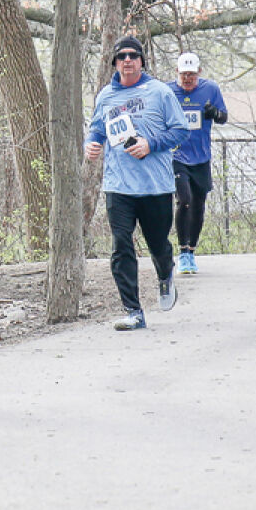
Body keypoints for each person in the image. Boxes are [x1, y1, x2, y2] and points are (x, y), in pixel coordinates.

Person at [84, 35, 190, 330]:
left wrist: (150, 144)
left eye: (133, 55)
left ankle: (165, 275)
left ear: (142, 61)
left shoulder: (160, 92)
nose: (127, 60)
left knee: (158, 244)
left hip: (155, 185)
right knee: (120, 245)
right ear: (115, 63)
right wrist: (91, 144)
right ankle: (133, 310)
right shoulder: (106, 96)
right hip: (118, 185)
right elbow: (96, 128)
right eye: (122, 56)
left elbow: (181, 130)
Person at [167, 52, 228, 274]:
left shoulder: (210, 89)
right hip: (176, 155)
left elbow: (224, 117)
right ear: (177, 73)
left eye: (192, 75)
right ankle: (182, 252)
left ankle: (191, 251)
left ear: (199, 73)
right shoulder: (168, 92)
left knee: (199, 205)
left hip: (201, 157)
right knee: (184, 199)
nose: (188, 80)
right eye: (184, 75)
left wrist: (214, 113)